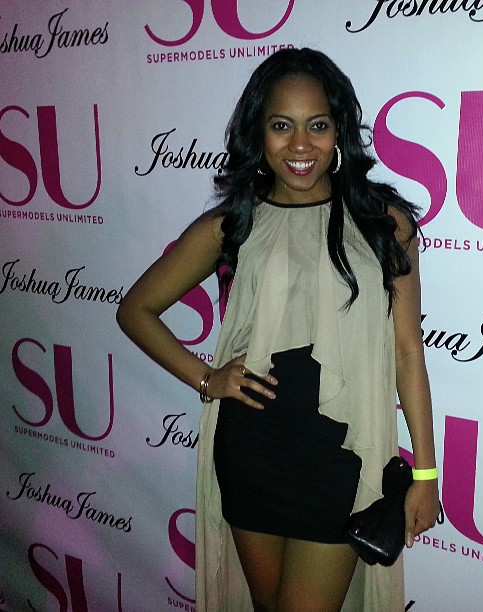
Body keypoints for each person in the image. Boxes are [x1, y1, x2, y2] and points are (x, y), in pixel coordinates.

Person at [117, 47, 439, 612]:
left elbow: (408, 352)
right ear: (258, 134)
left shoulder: (384, 224)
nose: (300, 145)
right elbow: (135, 310)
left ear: (339, 131)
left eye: (318, 125)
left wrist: (426, 473)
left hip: (340, 458)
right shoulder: (232, 223)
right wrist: (206, 378)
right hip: (253, 448)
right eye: (281, 126)